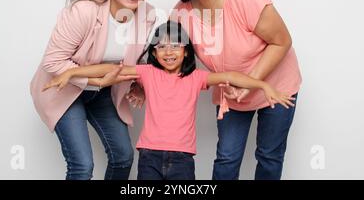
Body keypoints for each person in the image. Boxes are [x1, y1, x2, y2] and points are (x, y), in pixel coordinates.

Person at [42, 21, 295, 180]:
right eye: (161, 47)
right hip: (149, 157)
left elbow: (230, 76)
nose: (169, 51)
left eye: (176, 45)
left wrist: (262, 84)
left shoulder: (197, 77)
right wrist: (71, 72)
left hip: (183, 160)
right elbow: (106, 70)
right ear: (153, 52)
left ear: (186, 50)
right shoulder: (147, 73)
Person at [166, 0, 302, 180]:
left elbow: (282, 41)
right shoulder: (180, 14)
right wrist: (142, 83)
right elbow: (169, 55)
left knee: (269, 155)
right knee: (227, 157)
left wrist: (250, 82)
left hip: (275, 85)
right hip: (230, 93)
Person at [29, 0, 159, 180]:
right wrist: (95, 79)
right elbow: (53, 60)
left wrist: (139, 85)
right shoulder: (84, 10)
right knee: (82, 165)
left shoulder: (148, 16)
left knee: (123, 156)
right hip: (64, 90)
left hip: (102, 93)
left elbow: (138, 59)